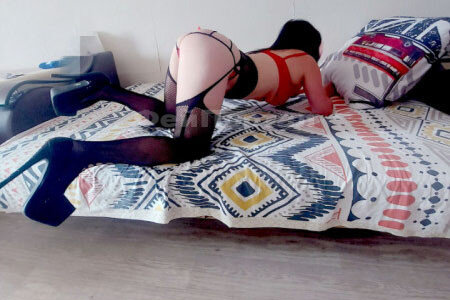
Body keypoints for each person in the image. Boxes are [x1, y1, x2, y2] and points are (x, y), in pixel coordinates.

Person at [0, 19, 334, 226]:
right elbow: (322, 108)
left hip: (194, 42)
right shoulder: (306, 60)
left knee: (170, 116)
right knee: (189, 146)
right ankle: (76, 153)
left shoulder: (270, 54)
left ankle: (104, 89)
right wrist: (326, 87)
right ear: (312, 45)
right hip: (217, 54)